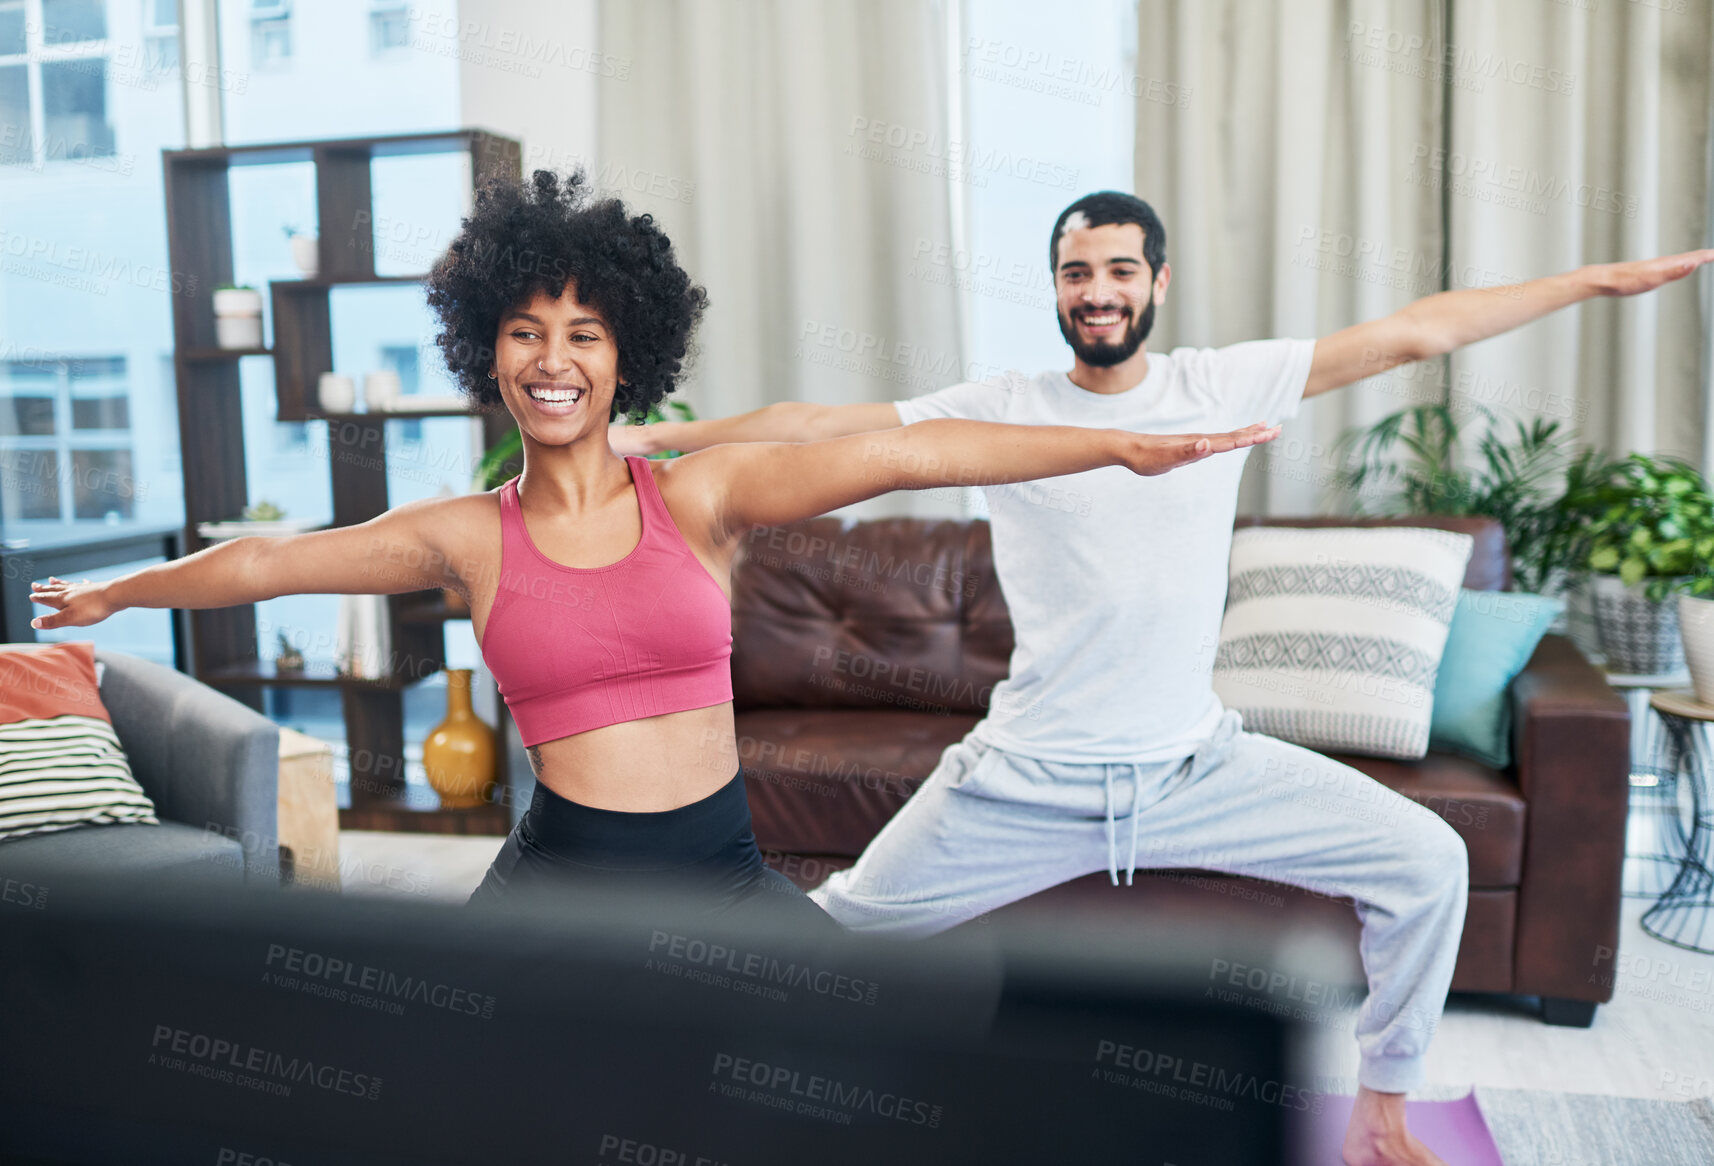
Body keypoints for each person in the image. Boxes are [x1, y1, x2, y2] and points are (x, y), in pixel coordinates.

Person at [609, 190, 1714, 1165]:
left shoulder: (1218, 384)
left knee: (1426, 857)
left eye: (1118, 269)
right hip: (1021, 778)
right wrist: (669, 441)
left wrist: (1592, 279)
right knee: (827, 936)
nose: (1097, 291)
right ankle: (667, 1060)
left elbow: (1414, 333)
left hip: (1194, 765)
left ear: (1157, 280)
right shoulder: (1006, 404)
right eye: (1075, 271)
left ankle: (1380, 1115)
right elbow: (816, 425)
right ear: (1053, 286)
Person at [25, 173, 1278, 931]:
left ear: (629, 357)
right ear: (488, 354)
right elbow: (265, 565)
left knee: (877, 1068)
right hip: (562, 873)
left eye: (582, 332)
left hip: (719, 869)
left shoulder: (700, 496)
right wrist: (116, 592)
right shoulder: (468, 536)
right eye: (523, 332)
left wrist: (1109, 449)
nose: (552, 357)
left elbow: (917, 456)